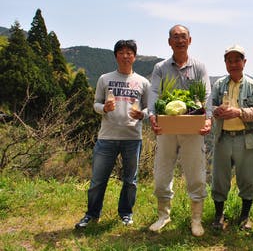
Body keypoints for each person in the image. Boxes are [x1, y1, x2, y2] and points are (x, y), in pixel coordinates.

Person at [75, 39, 150, 229]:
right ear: (116, 55)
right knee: (98, 180)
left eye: (129, 52)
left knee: (130, 181)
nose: (125, 56)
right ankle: (92, 214)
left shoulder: (143, 82)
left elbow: (150, 108)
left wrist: (143, 114)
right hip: (107, 137)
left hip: (132, 138)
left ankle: (126, 213)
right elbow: (95, 104)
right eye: (121, 52)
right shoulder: (105, 79)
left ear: (134, 56)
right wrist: (104, 109)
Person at [148, 24, 212, 237]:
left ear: (190, 40)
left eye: (183, 36)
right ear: (169, 42)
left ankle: (196, 219)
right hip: (167, 127)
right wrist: (152, 115)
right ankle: (163, 215)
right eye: (175, 37)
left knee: (196, 173)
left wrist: (208, 119)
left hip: (193, 128)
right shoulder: (160, 68)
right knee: (162, 171)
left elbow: (207, 96)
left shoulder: (199, 67)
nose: (179, 40)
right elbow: (155, 92)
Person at [211, 44, 253, 230]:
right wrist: (216, 110)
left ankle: (245, 217)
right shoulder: (219, 85)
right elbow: (208, 108)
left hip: (245, 138)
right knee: (219, 178)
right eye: (230, 60)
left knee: (247, 178)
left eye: (237, 60)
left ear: (244, 62)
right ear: (225, 63)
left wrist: (239, 112)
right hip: (223, 137)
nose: (233, 64)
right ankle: (219, 215)